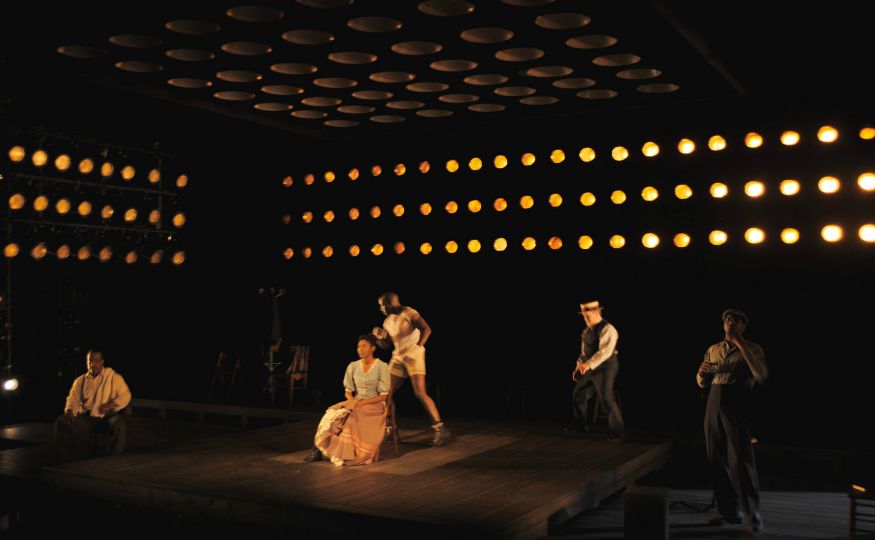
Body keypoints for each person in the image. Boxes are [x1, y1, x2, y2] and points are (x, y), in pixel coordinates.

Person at [697, 308, 768, 533]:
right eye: (727, 319)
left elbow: (761, 375)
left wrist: (741, 345)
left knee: (740, 459)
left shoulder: (753, 348)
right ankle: (729, 511)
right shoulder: (714, 349)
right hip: (714, 401)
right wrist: (702, 373)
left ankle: (752, 513)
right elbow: (701, 382)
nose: (730, 322)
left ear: (743, 326)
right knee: (715, 457)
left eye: (736, 320)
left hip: (737, 402)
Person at [372, 292, 450, 447]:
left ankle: (440, 429)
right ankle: (391, 429)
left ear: (390, 304)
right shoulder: (387, 321)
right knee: (384, 392)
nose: (381, 309)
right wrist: (380, 338)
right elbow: (387, 345)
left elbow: (427, 329)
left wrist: (417, 347)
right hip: (398, 357)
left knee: (420, 393)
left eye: (382, 305)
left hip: (413, 355)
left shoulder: (409, 313)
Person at [304, 334, 390, 466]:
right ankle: (319, 449)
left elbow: (384, 395)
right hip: (356, 400)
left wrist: (363, 403)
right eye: (358, 347)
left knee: (352, 418)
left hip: (374, 404)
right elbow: (348, 391)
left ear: (373, 348)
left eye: (364, 346)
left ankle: (346, 453)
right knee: (332, 413)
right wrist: (353, 402)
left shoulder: (381, 366)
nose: (360, 349)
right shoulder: (353, 366)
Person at [55, 348, 132, 463]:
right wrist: (70, 410)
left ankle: (115, 460)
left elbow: (125, 394)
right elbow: (73, 398)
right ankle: (62, 461)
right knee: (61, 422)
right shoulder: (80, 381)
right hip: (88, 418)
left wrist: (113, 404)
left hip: (107, 416)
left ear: (102, 362)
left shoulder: (113, 377)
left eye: (96, 361)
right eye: (90, 361)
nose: (92, 364)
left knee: (119, 423)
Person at [569, 300, 624, 441]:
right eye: (583, 315)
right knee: (579, 393)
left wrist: (587, 365)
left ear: (596, 312)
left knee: (606, 397)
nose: (585, 318)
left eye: (587, 315)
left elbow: (604, 352)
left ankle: (618, 432)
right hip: (590, 366)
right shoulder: (586, 331)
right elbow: (584, 353)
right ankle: (581, 425)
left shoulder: (608, 328)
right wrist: (578, 368)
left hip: (606, 367)